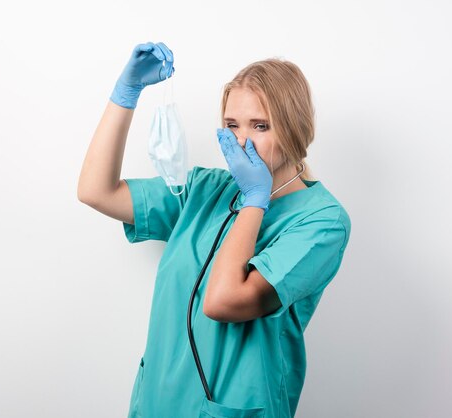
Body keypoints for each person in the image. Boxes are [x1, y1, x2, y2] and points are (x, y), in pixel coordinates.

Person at [77, 41, 352, 418]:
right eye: (231, 125)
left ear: (295, 128)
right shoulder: (203, 189)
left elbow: (222, 302)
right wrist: (127, 93)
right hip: (159, 402)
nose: (241, 141)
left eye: (261, 126)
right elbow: (96, 191)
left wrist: (256, 199)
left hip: (234, 406)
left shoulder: (321, 222)